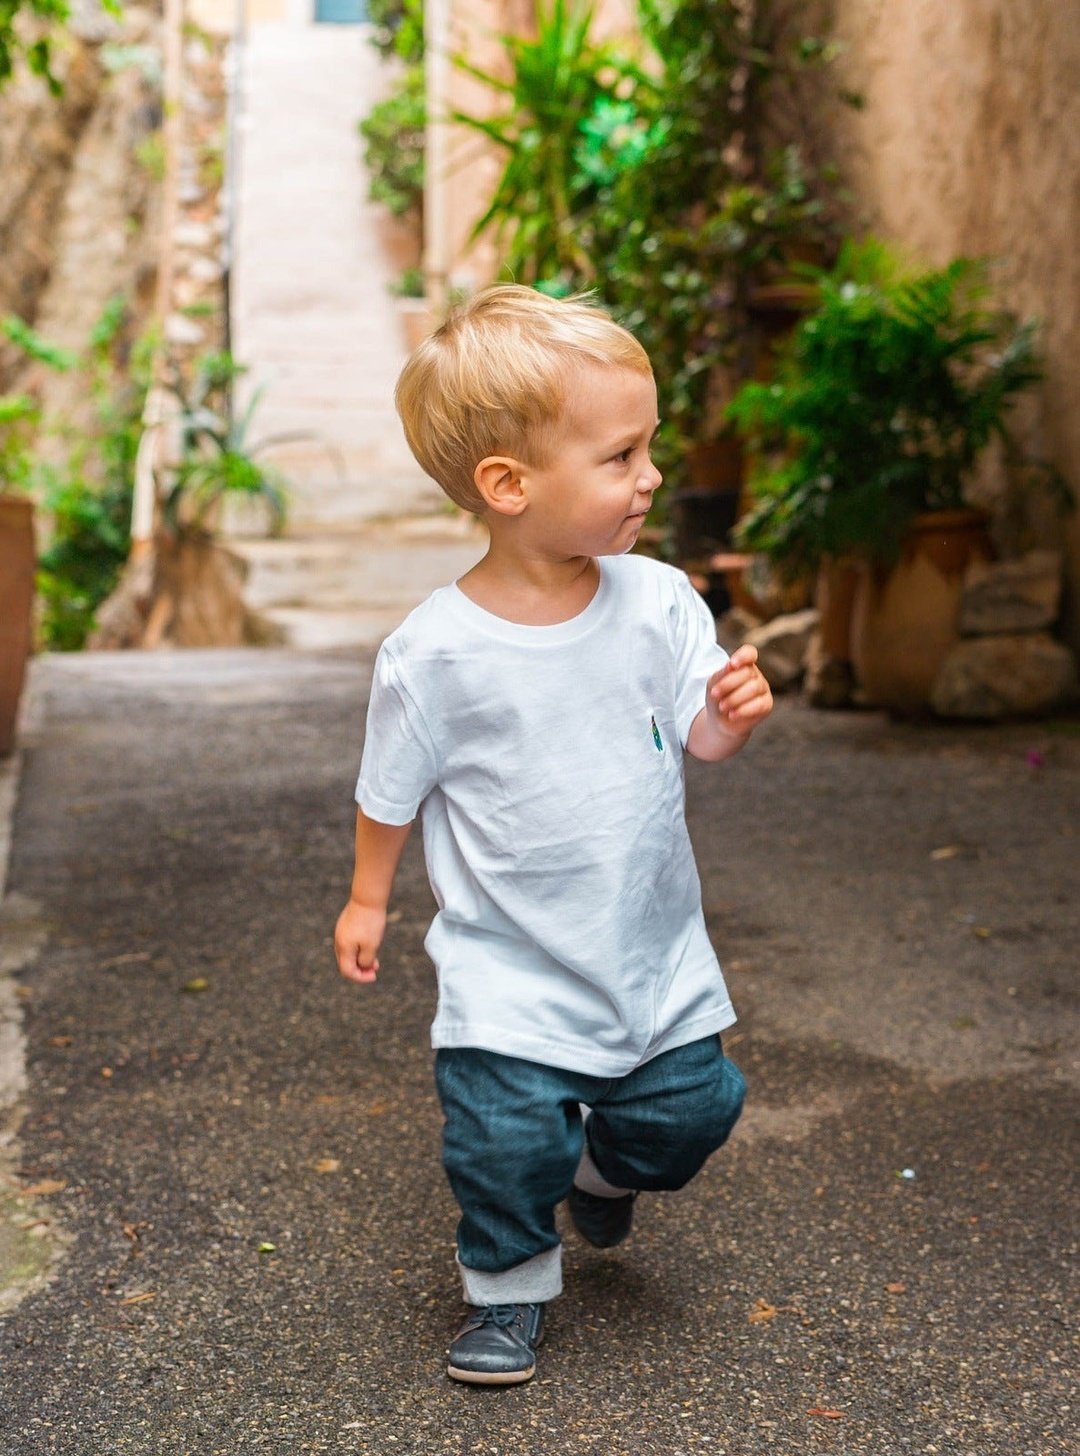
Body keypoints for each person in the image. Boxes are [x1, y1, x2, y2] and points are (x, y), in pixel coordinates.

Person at [334, 285, 773, 1386]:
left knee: (695, 1110)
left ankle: (602, 1172)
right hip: (507, 966)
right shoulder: (434, 653)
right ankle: (507, 1290)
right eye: (622, 454)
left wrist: (724, 717)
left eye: (649, 447)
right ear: (509, 485)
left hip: (646, 952)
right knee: (498, 1142)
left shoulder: (662, 601)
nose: (654, 475)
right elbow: (390, 786)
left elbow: (700, 740)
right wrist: (367, 895)